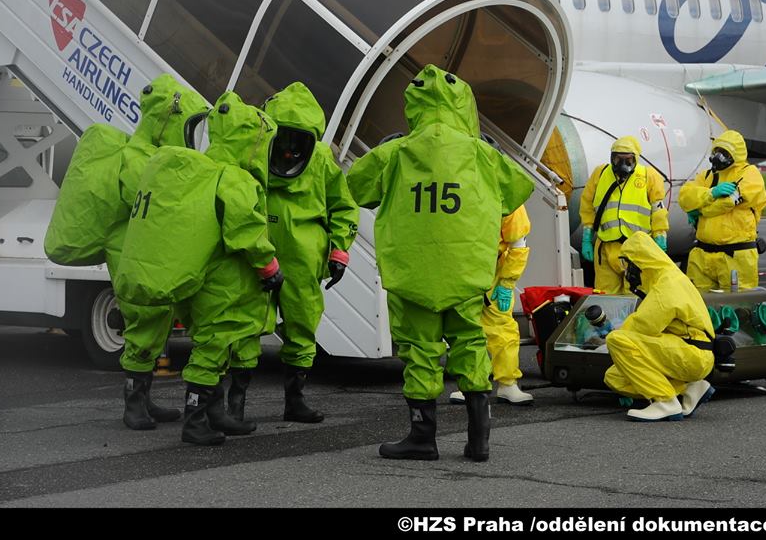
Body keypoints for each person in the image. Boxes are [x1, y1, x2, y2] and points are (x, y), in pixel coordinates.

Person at [347, 64, 534, 462]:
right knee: (471, 346)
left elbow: (356, 187)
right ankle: (478, 440)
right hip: (466, 273)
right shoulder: (482, 154)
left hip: (413, 273)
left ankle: (422, 437)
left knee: (419, 351)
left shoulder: (396, 152)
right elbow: (518, 190)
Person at [115, 91, 283, 445]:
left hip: (200, 280)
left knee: (213, 344)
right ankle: (195, 421)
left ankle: (213, 413)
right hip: (224, 285)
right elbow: (246, 233)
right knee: (214, 347)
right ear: (253, 141)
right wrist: (269, 267)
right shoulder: (235, 178)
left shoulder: (198, 170)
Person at [44, 74, 208, 431]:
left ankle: (144, 399)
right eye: (187, 124)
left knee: (156, 320)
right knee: (143, 321)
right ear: (167, 120)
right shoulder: (137, 159)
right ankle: (133, 404)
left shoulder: (153, 156)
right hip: (131, 251)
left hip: (145, 250)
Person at [255, 82, 359, 424]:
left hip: (298, 259)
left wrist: (340, 249)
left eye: (293, 141)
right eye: (281, 140)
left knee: (301, 325)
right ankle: (235, 402)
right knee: (243, 323)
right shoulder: (252, 153)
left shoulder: (321, 162)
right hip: (259, 254)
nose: (287, 151)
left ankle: (292, 400)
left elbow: (343, 206)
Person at [603, 231, 716, 421]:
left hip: (692, 353)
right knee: (614, 376)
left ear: (641, 263)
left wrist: (616, 333)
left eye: (628, 264)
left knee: (616, 340)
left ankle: (665, 401)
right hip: (686, 350)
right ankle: (690, 387)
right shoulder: (665, 279)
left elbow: (645, 325)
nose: (627, 271)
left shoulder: (667, 284)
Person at [450, 204, 533, 406]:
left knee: (501, 327)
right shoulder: (467, 186)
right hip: (462, 269)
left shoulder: (507, 196)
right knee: (467, 329)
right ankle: (471, 383)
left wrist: (506, 282)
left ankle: (507, 383)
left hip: (492, 273)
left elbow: (518, 244)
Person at [678, 130, 766, 291]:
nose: (719, 157)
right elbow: (685, 197)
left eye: (724, 153)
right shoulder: (707, 175)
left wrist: (700, 210)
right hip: (702, 255)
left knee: (738, 308)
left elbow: (728, 202)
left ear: (736, 154)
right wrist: (711, 193)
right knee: (700, 307)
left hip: (735, 256)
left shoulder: (749, 174)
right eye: (717, 151)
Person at [579, 136, 668, 293]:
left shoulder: (649, 176)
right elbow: (587, 205)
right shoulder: (600, 174)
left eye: (628, 160)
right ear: (612, 158)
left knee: (634, 297)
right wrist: (587, 237)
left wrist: (660, 238)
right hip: (606, 247)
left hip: (636, 249)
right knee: (606, 297)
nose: (623, 164)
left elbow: (658, 211)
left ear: (636, 159)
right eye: (618, 159)